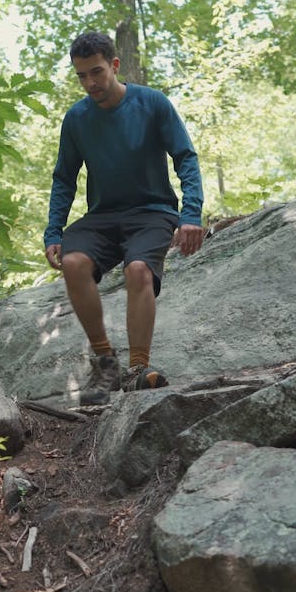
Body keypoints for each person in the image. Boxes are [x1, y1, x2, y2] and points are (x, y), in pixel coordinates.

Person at [44, 31, 204, 405]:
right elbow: (64, 178)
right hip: (103, 216)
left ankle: (137, 370)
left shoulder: (152, 104)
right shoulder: (77, 119)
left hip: (153, 212)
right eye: (81, 75)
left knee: (138, 271)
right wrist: (54, 230)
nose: (90, 83)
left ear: (115, 66)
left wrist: (191, 213)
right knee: (73, 262)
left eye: (96, 72)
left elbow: (186, 157)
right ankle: (106, 363)